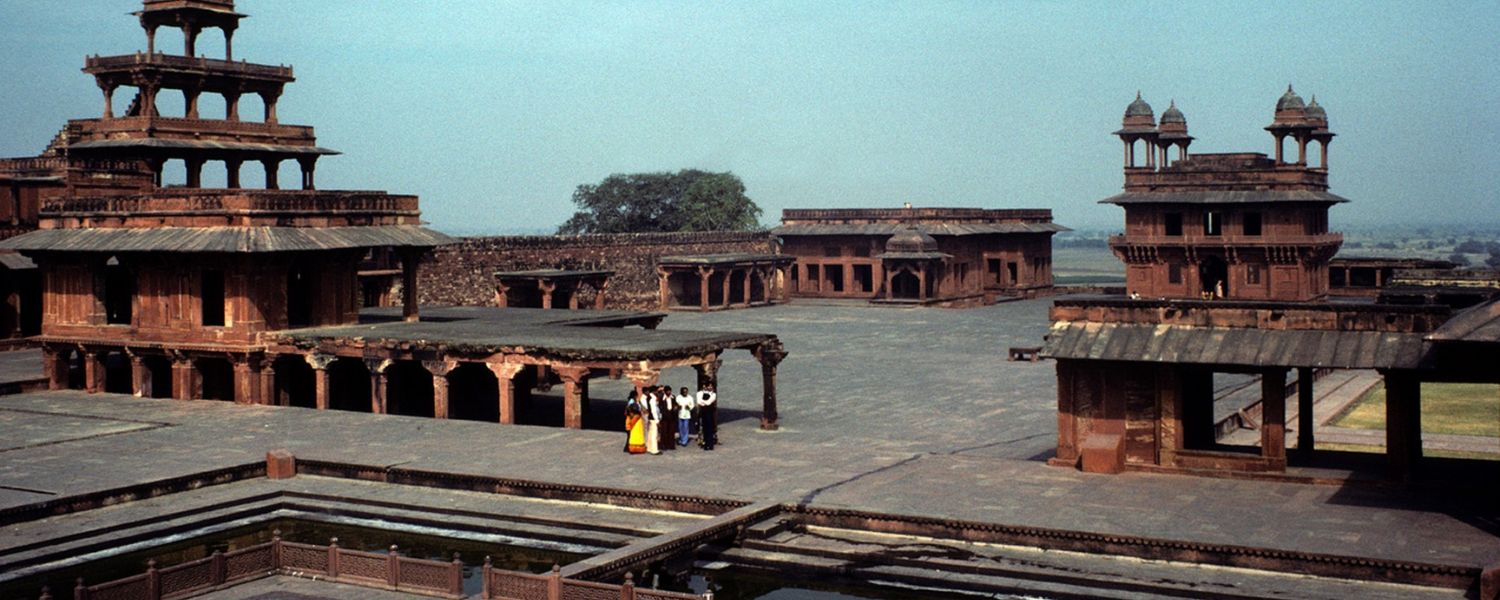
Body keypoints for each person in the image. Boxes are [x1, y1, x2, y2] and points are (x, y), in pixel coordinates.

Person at [696, 383, 718, 450]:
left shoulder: (713, 394)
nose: (710, 387)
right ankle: (705, 443)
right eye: (709, 386)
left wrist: (703, 402)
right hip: (703, 412)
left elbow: (709, 402)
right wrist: (704, 402)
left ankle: (710, 444)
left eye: (711, 386)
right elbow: (699, 402)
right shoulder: (702, 393)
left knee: (710, 428)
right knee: (704, 428)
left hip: (710, 412)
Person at [643, 387, 662, 455]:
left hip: (650, 417)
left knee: (650, 433)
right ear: (654, 391)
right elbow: (654, 410)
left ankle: (649, 447)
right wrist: (657, 421)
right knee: (654, 434)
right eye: (656, 391)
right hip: (654, 418)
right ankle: (654, 450)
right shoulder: (652, 399)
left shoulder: (649, 397)